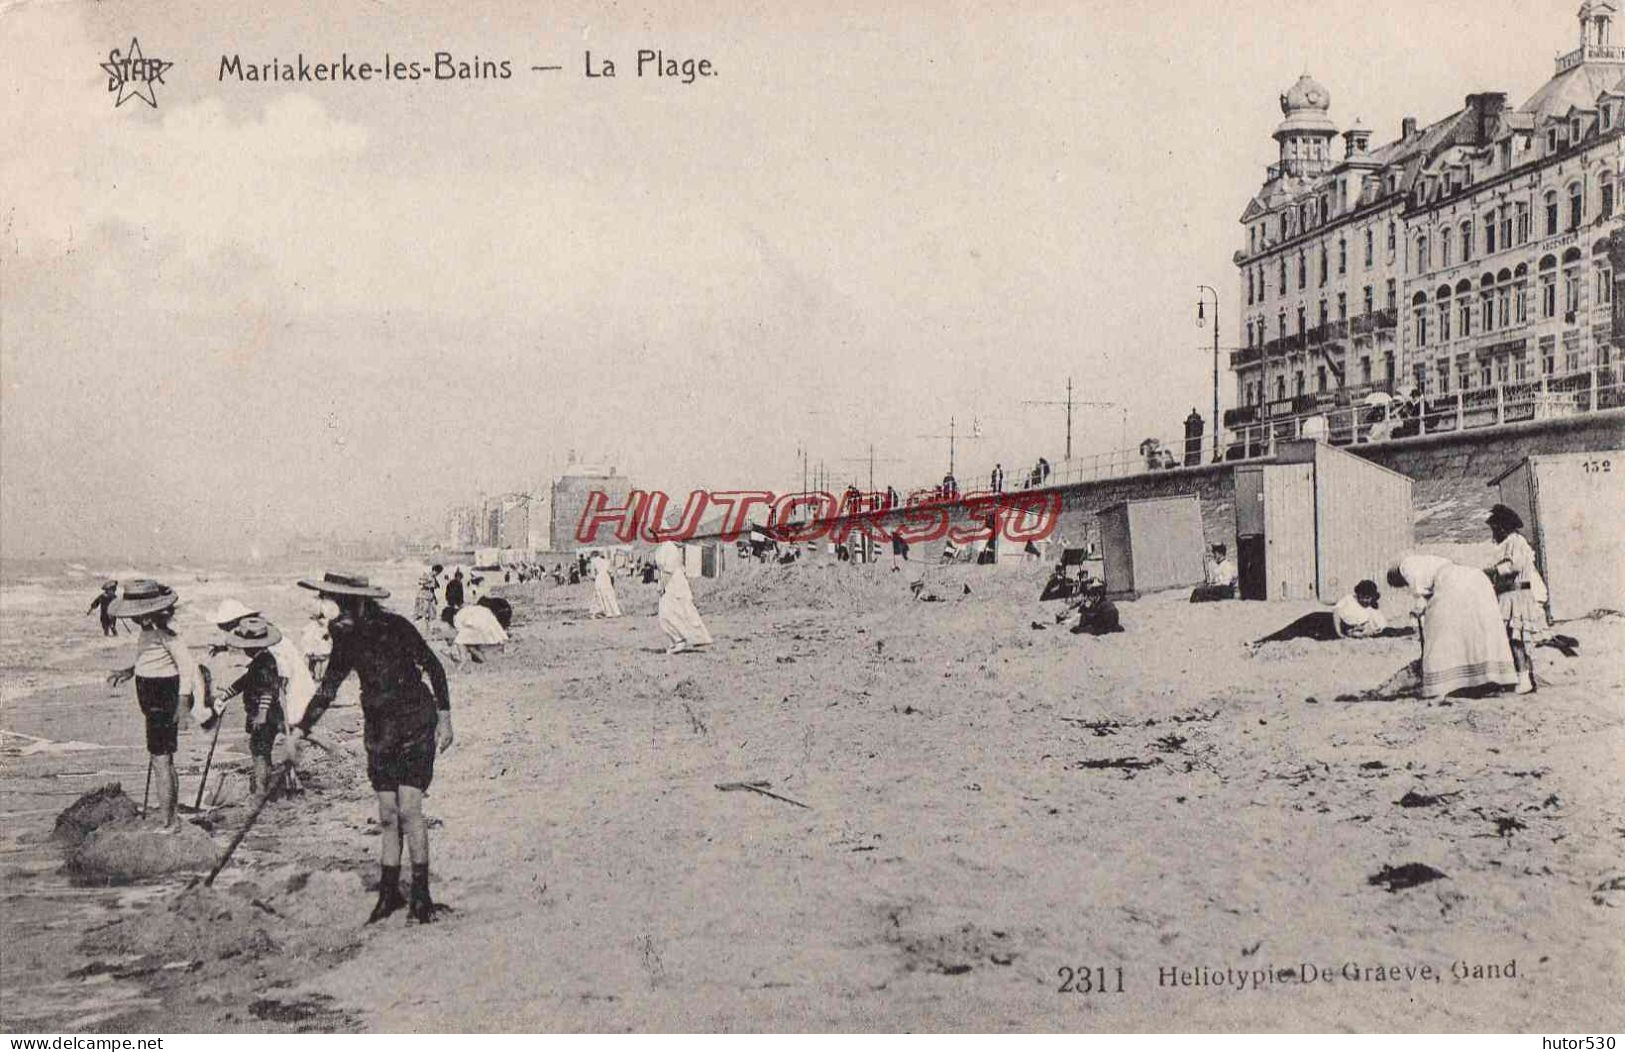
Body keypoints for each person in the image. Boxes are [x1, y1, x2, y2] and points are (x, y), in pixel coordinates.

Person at [291, 572, 453, 924]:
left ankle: (422, 898)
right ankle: (389, 894)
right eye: (333, 603)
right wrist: (301, 729)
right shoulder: (345, 638)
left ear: (360, 602)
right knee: (386, 815)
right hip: (380, 729)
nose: (335, 611)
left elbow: (433, 666)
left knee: (409, 810)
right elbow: (328, 689)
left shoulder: (396, 626)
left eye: (342, 604)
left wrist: (445, 716)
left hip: (414, 721)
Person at [106, 581, 203, 831]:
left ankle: (168, 821)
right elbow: (151, 661)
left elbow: (187, 667)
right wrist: (129, 671)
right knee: (163, 759)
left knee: (161, 760)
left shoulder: (165, 631)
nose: (135, 618)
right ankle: (170, 817)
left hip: (163, 699)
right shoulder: (150, 630)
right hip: (153, 700)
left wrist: (182, 705)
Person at [1386, 553, 1517, 698]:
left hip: (1452, 582)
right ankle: (1488, 678)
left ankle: (1445, 683)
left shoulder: (1406, 568)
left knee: (1440, 634)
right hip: (1476, 578)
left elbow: (1420, 599)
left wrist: (1418, 613)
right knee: (1477, 628)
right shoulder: (1426, 561)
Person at [210, 617, 288, 799]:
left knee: (259, 751)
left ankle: (261, 790)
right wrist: (224, 695)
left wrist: (261, 714)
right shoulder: (259, 662)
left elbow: (268, 691)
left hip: (265, 714)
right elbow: (243, 682)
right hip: (265, 713)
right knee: (262, 750)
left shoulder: (265, 663)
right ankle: (265, 787)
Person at [1486, 504, 1547, 695]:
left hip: (1516, 595)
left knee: (1517, 639)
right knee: (1513, 638)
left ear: (1503, 526)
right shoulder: (1506, 543)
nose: (1494, 532)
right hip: (1508, 595)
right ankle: (1521, 676)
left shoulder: (1516, 541)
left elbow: (1516, 566)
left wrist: (1494, 571)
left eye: (1495, 528)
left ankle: (1524, 678)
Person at [1249, 580, 1414, 646]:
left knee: (1298, 635)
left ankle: (1263, 641)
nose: (1364, 600)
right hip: (1325, 621)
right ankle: (1261, 641)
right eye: (1362, 597)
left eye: (1368, 598)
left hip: (1336, 630)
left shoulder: (1372, 611)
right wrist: (1339, 634)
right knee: (1293, 629)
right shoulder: (1349, 599)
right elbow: (1336, 614)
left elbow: (1381, 629)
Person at [655, 541, 712, 654]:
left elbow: (669, 570)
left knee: (674, 612)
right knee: (669, 613)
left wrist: (661, 586)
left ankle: (681, 639)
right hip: (669, 583)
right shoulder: (661, 547)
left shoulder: (670, 547)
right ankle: (680, 639)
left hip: (675, 583)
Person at [440, 599, 508, 664]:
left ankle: (463, 662)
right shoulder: (465, 610)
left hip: (483, 627)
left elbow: (461, 637)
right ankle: (483, 660)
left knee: (461, 641)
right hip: (491, 625)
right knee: (469, 644)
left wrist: (451, 642)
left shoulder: (457, 618)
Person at [1055, 582, 1122, 635]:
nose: (1089, 598)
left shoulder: (1101, 603)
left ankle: (1067, 621)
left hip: (1105, 625)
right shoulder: (1103, 601)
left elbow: (1092, 616)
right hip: (1113, 623)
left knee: (1080, 625)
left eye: (1090, 596)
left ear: (1096, 596)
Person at [591, 552, 624, 618]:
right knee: (610, 594)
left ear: (593, 556)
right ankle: (616, 611)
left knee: (601, 595)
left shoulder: (593, 561)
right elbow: (611, 572)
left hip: (599, 577)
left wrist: (593, 578)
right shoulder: (606, 561)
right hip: (606, 577)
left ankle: (607, 612)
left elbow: (592, 574)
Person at [414, 568, 439, 636]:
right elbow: (421, 583)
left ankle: (428, 630)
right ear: (434, 570)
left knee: (431, 614)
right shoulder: (427, 575)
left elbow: (433, 589)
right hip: (424, 596)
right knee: (423, 613)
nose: (437, 574)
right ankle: (423, 630)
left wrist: (435, 598)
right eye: (437, 572)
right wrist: (427, 583)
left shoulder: (433, 578)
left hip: (430, 597)